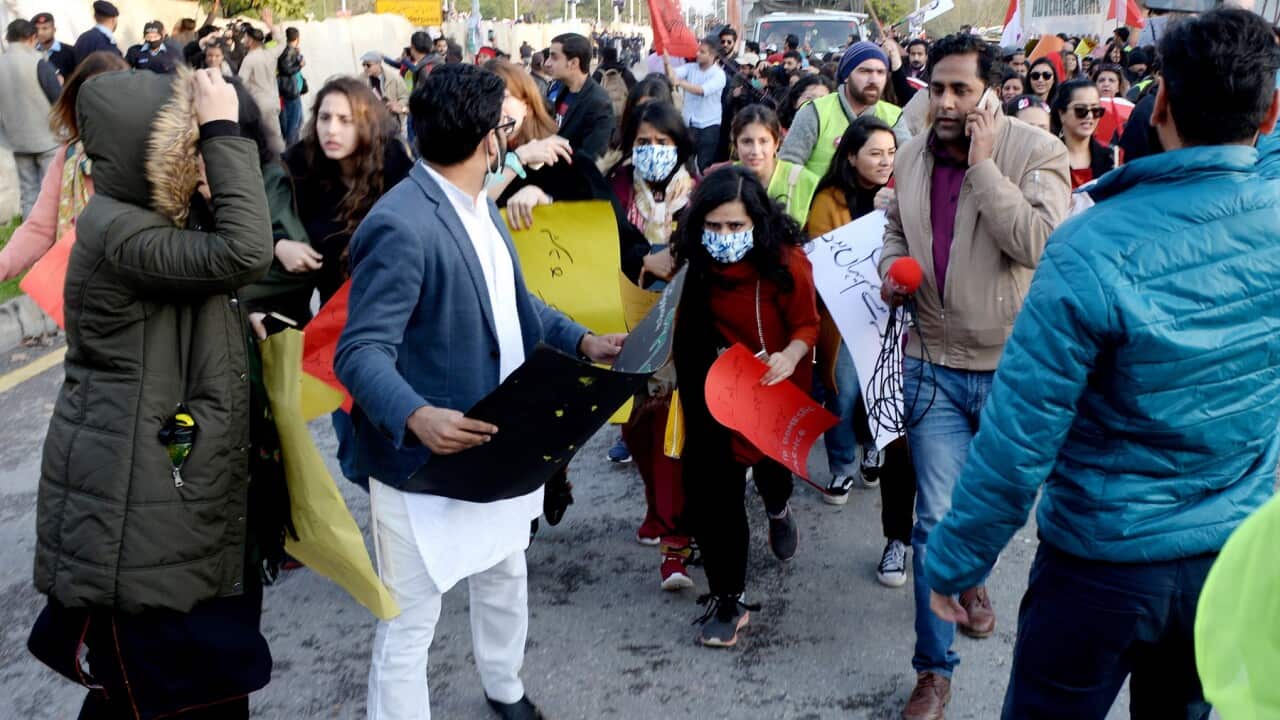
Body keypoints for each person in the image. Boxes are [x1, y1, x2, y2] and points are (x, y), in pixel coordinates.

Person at [924, 9, 1280, 718]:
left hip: (1100, 563)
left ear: (1161, 103)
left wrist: (958, 560)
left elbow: (1020, 436)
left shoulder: (1089, 243)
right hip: (1232, 559)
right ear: (1269, 114)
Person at [335, 62, 624, 720]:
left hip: (497, 441)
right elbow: (359, 351)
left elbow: (515, 303)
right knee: (409, 621)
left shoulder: (478, 202)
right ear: (487, 140)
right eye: (504, 128)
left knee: (505, 573)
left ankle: (505, 687)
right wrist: (418, 416)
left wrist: (583, 341)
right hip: (424, 462)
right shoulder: (401, 224)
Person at [27, 66, 281, 720]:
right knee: (162, 695)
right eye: (193, 148)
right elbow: (245, 253)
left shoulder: (147, 224)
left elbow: (203, 291)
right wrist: (223, 129)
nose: (204, 163)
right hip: (140, 512)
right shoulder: (120, 232)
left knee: (191, 693)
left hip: (168, 500)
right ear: (154, 155)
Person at [878, 33, 1070, 720]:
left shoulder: (1037, 152)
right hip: (929, 367)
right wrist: (890, 272)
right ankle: (933, 672)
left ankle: (974, 575)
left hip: (1012, 372)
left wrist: (985, 166)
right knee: (934, 519)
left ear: (992, 93)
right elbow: (895, 232)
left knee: (999, 508)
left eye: (962, 89)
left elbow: (1038, 244)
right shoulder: (908, 156)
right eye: (938, 88)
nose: (948, 102)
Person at [671, 165, 818, 648]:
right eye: (713, 225)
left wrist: (790, 355)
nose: (723, 236)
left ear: (758, 221)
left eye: (735, 225)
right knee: (715, 495)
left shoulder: (787, 261)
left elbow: (807, 325)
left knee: (772, 473)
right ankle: (728, 599)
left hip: (773, 386)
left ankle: (777, 506)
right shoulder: (693, 257)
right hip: (713, 387)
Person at [805, 116, 918, 589]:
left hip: (900, 322)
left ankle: (876, 452)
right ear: (851, 156)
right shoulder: (829, 199)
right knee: (845, 392)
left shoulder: (907, 193)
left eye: (892, 153)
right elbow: (822, 257)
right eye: (875, 153)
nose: (885, 162)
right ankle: (842, 467)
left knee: (892, 411)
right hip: (847, 320)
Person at [282, 77, 412, 322]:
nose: (331, 129)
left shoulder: (395, 167)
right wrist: (278, 245)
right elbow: (260, 220)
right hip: (334, 315)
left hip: (394, 308)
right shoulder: (299, 166)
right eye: (324, 118)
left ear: (367, 124)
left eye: (345, 120)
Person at [0, 51, 129, 281]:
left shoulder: (153, 154)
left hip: (139, 290)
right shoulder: (70, 157)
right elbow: (40, 229)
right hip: (83, 288)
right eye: (92, 98)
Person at [780, 41, 911, 178]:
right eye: (865, 71)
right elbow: (787, 168)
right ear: (847, 75)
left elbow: (911, 165)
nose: (874, 80)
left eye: (881, 72)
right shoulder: (815, 112)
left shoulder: (893, 116)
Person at [0, 20, 62, 219]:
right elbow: (58, 99)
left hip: (16, 141)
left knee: (29, 195)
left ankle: (29, 235)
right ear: (31, 38)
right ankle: (51, 236)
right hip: (48, 138)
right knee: (51, 194)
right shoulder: (39, 62)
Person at [726, 104, 820, 224]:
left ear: (776, 144)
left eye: (763, 141)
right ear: (735, 145)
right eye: (747, 141)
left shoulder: (806, 181)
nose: (755, 151)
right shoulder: (725, 180)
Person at [546, 32, 615, 161]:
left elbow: (591, 158)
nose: (547, 63)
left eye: (554, 58)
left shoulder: (599, 103)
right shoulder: (563, 89)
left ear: (573, 63)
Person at [665, 36, 728, 172]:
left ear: (712, 55)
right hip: (690, 123)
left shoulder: (719, 75)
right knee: (686, 162)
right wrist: (667, 63)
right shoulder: (690, 68)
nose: (697, 53)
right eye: (698, 50)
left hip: (709, 125)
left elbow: (702, 90)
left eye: (702, 52)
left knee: (704, 164)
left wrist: (680, 82)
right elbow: (672, 75)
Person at [237, 9, 287, 155]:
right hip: (273, 102)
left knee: (262, 140)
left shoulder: (249, 59)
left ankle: (276, 163)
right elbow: (282, 41)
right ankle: (279, 161)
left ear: (251, 40)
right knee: (275, 137)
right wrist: (270, 24)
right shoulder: (270, 53)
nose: (244, 40)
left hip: (258, 104)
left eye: (246, 37)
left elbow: (240, 83)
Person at [1052, 79, 1113, 188]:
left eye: (1096, 110)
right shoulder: (1048, 157)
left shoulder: (1113, 156)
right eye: (1080, 110)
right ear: (1061, 113)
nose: (1089, 116)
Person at [362, 50, 409, 138]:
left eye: (368, 65)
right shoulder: (362, 80)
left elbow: (404, 97)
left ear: (378, 64)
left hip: (395, 123)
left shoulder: (395, 78)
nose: (365, 68)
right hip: (375, 125)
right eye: (363, 65)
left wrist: (397, 106)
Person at [277, 27, 306, 148]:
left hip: (291, 91)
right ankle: (291, 149)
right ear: (297, 39)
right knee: (293, 124)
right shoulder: (287, 51)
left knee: (297, 122)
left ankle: (293, 147)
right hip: (290, 92)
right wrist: (300, 65)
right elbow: (286, 69)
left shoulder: (289, 50)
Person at [32, 12, 75, 79]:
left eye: (45, 28)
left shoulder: (69, 52)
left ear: (54, 30)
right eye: (36, 29)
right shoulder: (32, 54)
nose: (40, 33)